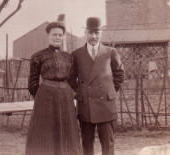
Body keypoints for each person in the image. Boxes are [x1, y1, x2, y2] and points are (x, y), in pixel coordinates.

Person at [25, 21, 82, 155]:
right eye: (54, 34)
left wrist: (72, 94)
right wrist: (40, 97)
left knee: (67, 129)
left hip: (65, 96)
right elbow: (32, 82)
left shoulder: (70, 57)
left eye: (60, 35)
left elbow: (73, 81)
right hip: (46, 97)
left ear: (63, 37)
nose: (57, 37)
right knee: (45, 130)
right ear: (48, 36)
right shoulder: (38, 56)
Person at [71, 17, 125, 155]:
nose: (93, 36)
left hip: (106, 105)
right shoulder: (76, 54)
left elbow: (120, 74)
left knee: (108, 146)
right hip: (86, 107)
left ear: (101, 33)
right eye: (90, 32)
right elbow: (71, 79)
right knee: (87, 145)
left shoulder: (110, 52)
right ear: (85, 33)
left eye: (97, 33)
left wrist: (110, 92)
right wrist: (82, 93)